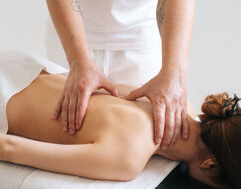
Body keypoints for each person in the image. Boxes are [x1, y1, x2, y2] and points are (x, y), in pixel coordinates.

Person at [0, 71, 241, 189]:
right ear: (212, 162)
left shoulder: (163, 100)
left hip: (18, 68)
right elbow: (12, 149)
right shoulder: (128, 159)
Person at [46, 0, 195, 150]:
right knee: (63, 129)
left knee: (141, 141)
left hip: (141, 46)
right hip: (71, 34)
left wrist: (175, 74)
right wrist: (78, 62)